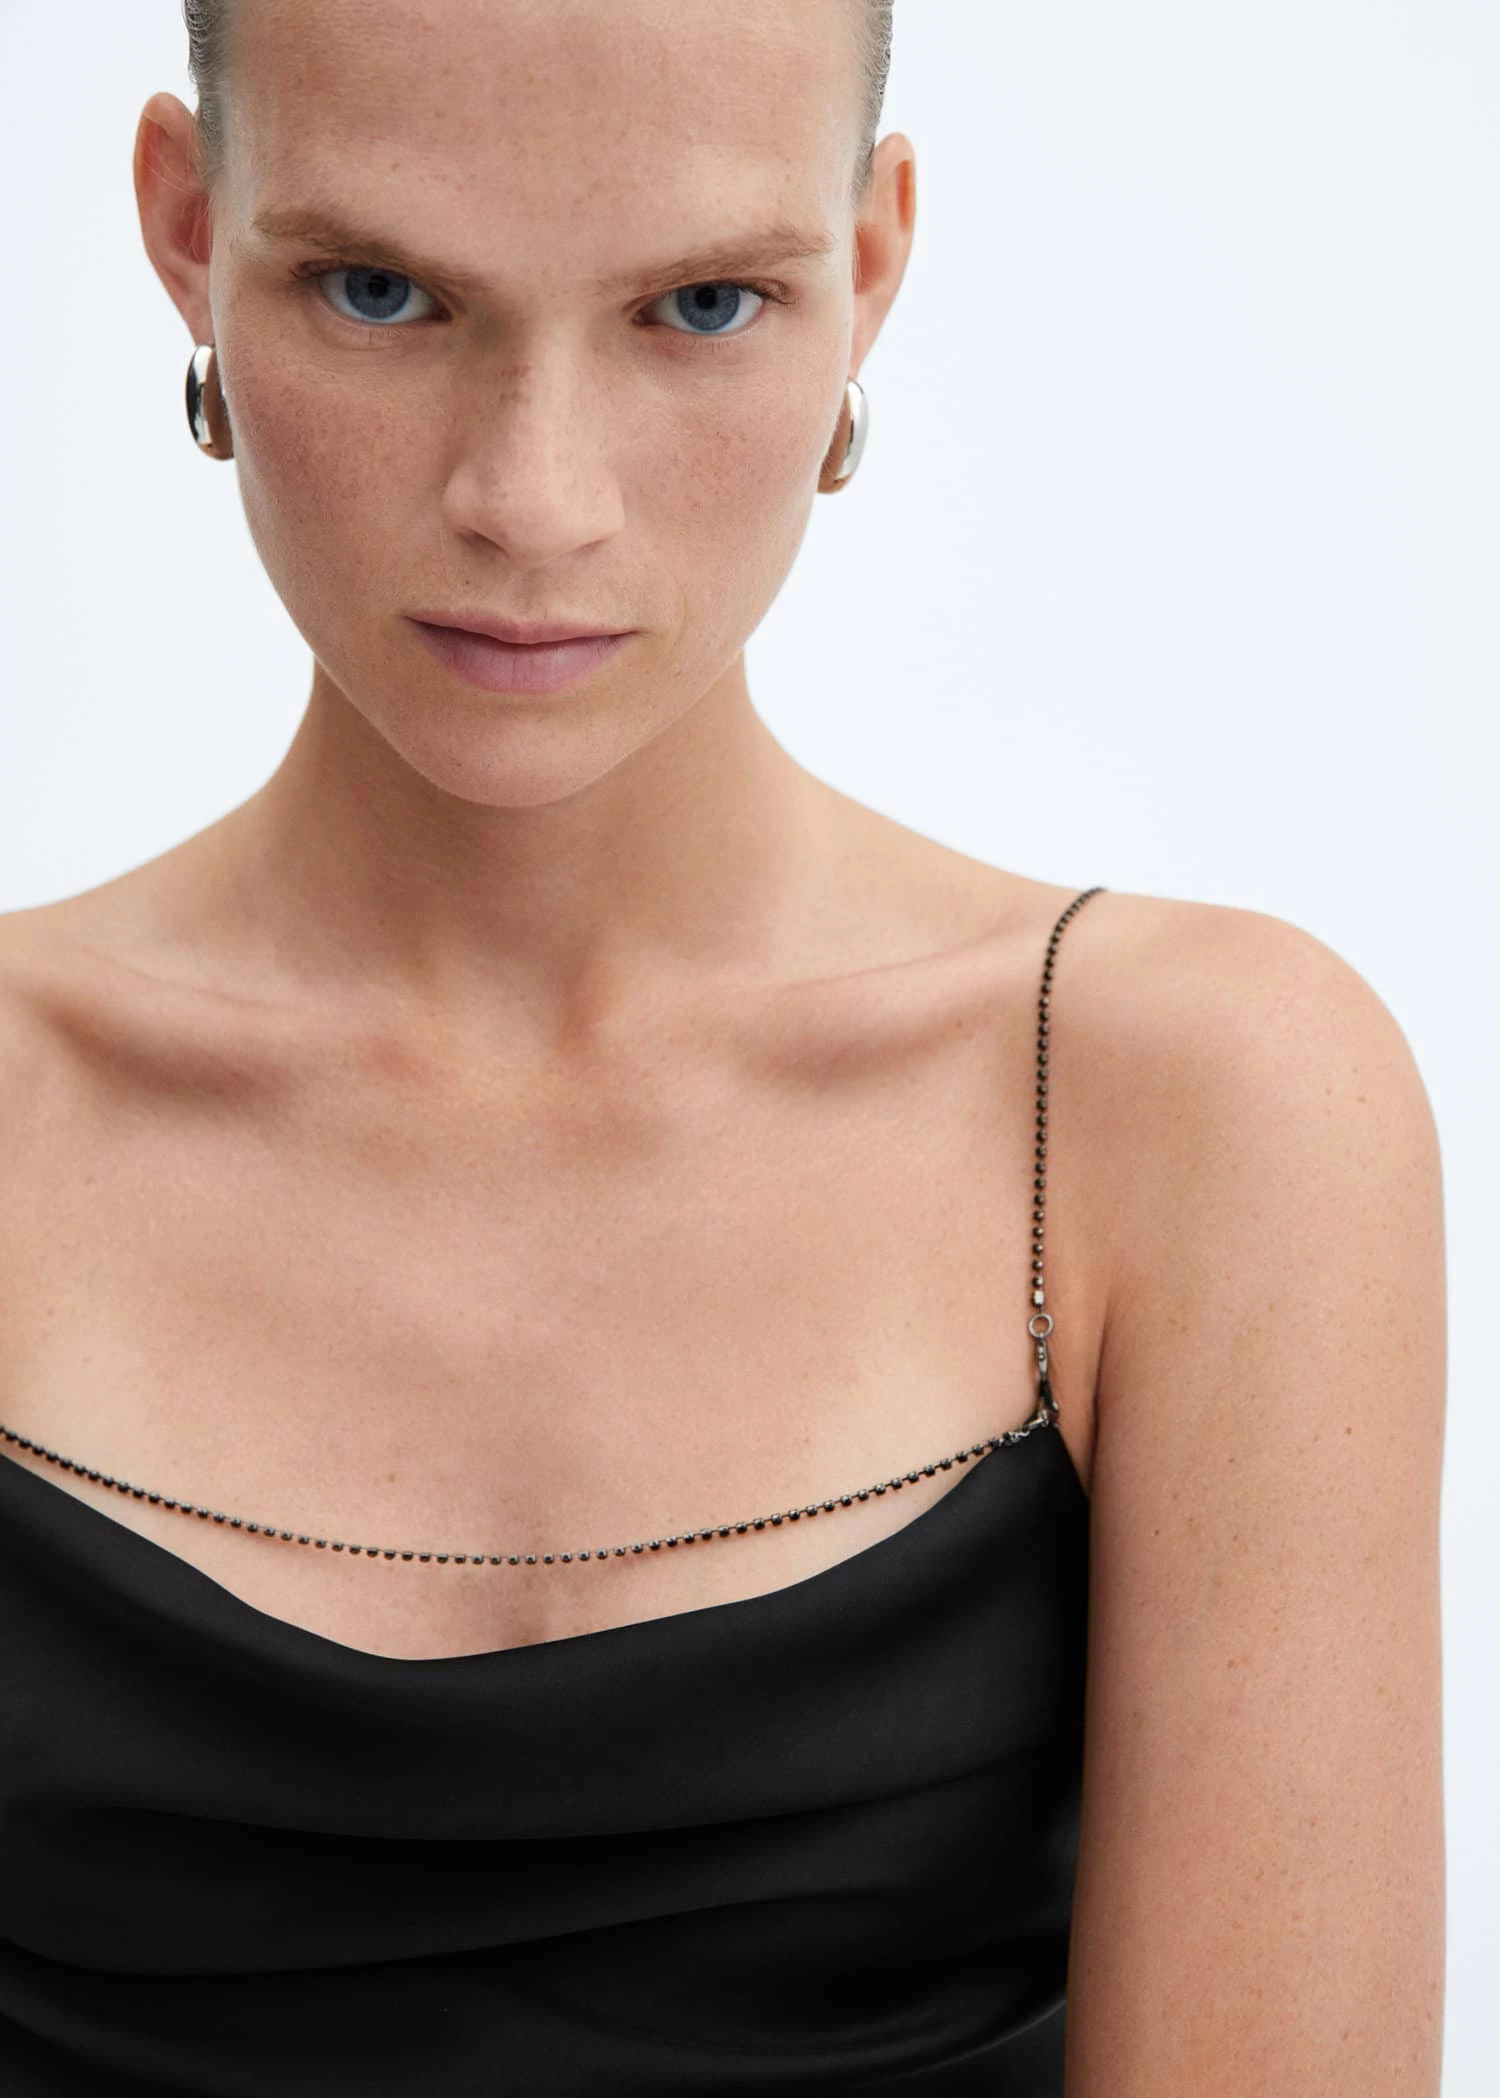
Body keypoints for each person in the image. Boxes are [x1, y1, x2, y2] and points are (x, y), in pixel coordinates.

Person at [0, 1, 1446, 2092]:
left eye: (699, 306)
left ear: (868, 267)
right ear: (185, 229)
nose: (533, 501)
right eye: (383, 291)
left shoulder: (1186, 1113)